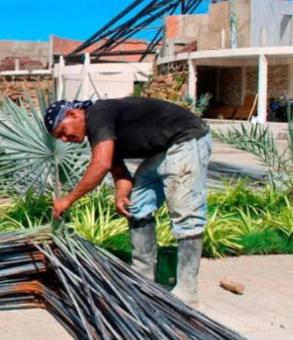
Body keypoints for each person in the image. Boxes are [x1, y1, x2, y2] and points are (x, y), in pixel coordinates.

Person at [44, 97, 212, 305]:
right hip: (162, 150)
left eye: (62, 132)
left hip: (187, 140)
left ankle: (187, 290)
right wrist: (121, 194)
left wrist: (68, 199)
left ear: (73, 115)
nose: (65, 139)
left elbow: (101, 163)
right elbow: (118, 172)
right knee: (137, 205)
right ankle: (142, 276)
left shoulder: (98, 113)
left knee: (186, 211)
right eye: (60, 138)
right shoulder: (99, 132)